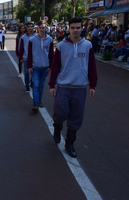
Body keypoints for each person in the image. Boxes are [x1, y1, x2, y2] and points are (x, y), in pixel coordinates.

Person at [49, 18, 98, 158]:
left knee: (76, 117)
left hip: (80, 87)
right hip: (63, 86)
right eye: (73, 27)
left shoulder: (87, 45)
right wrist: (52, 85)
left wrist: (92, 85)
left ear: (82, 29)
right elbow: (56, 66)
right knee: (59, 112)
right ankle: (57, 128)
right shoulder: (61, 46)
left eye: (78, 27)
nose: (75, 30)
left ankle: (69, 143)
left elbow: (92, 67)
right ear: (68, 29)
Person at [27, 21, 54, 112]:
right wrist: (29, 66)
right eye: (40, 27)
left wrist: (50, 66)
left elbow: (51, 54)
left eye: (43, 27)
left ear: (46, 28)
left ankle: (39, 100)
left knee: (41, 85)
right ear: (37, 28)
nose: (42, 29)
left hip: (45, 67)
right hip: (35, 67)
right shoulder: (32, 39)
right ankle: (35, 104)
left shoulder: (50, 39)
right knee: (36, 85)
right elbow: (29, 54)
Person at [19, 22, 36, 92]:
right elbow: (21, 48)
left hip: (34, 57)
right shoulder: (23, 37)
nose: (30, 28)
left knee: (34, 71)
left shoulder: (36, 36)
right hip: (26, 57)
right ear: (27, 28)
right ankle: (27, 86)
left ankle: (32, 82)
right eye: (29, 26)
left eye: (31, 26)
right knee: (26, 72)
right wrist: (21, 57)